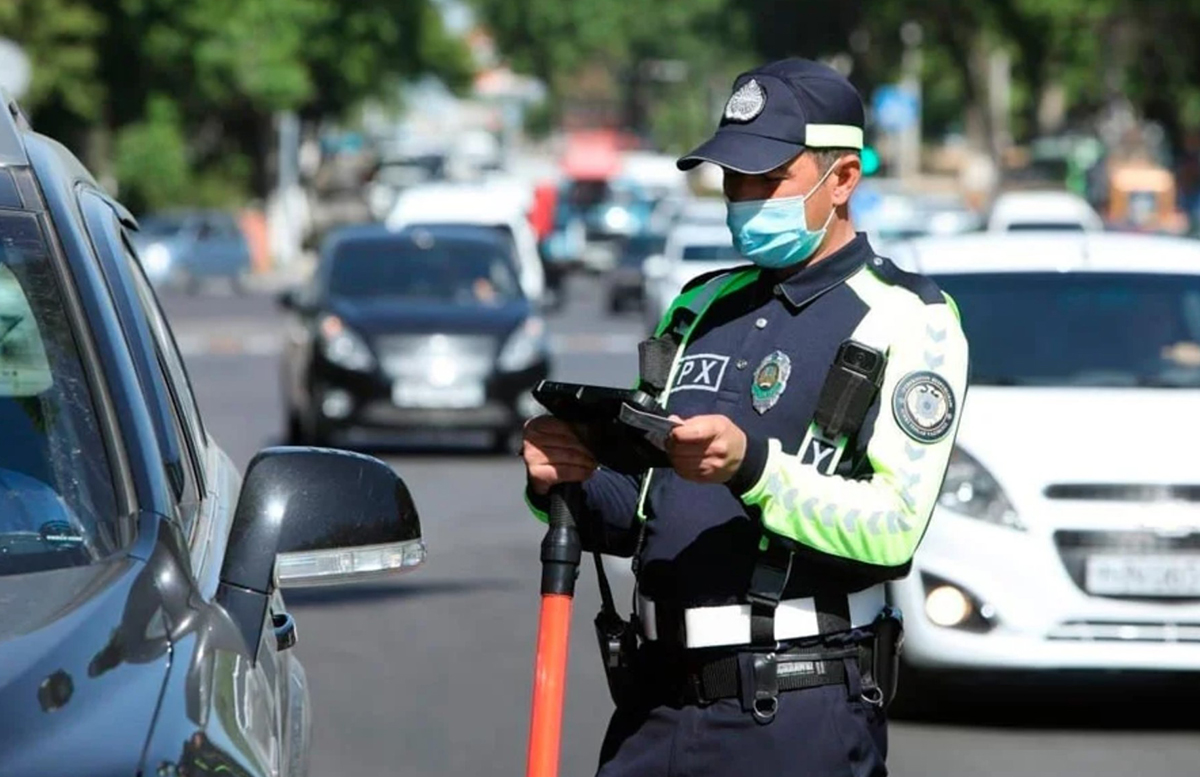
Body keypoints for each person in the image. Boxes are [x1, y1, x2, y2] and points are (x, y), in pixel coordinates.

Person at [522, 58, 969, 777]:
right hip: (654, 704)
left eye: (767, 180)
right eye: (733, 179)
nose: (742, 198)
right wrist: (567, 475)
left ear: (844, 178)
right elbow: (644, 514)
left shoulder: (908, 318)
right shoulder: (697, 306)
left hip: (793, 707)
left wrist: (752, 466)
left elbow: (892, 529)